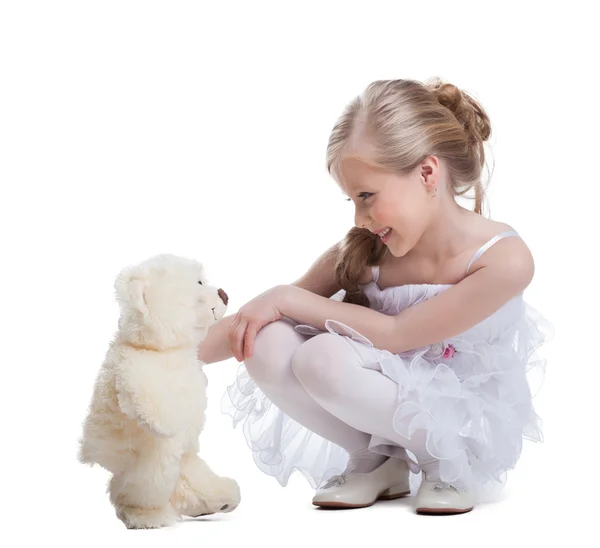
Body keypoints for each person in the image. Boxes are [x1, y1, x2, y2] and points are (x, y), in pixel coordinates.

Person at [197, 78, 550, 515]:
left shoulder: (503, 259)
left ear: (427, 173)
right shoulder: (365, 253)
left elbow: (398, 334)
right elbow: (253, 321)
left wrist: (286, 297)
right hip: (382, 406)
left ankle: (448, 465)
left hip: (462, 422)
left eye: (367, 196)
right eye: (351, 199)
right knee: (264, 340)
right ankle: (378, 461)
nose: (359, 218)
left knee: (321, 355)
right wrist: (161, 354)